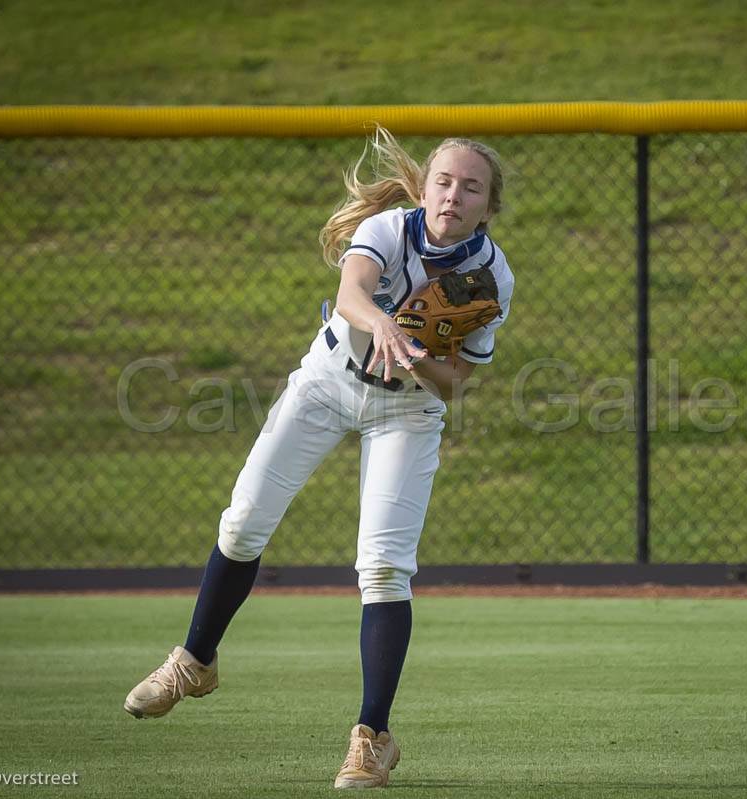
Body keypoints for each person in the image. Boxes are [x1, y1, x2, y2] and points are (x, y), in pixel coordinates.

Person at [123, 126, 513, 789]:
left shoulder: (492, 276)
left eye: (470, 186)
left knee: (385, 565)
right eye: (444, 180)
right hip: (328, 382)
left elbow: (458, 382)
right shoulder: (392, 228)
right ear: (425, 187)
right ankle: (194, 661)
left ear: (487, 206)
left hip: (407, 410)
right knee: (243, 521)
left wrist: (422, 361)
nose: (453, 193)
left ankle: (372, 736)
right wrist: (386, 323)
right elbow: (354, 293)